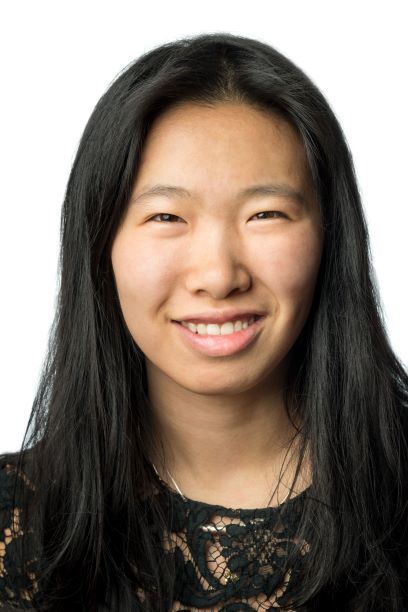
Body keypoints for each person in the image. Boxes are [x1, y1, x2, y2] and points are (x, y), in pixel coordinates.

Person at [0, 32, 407, 612]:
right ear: (99, 246)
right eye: (167, 215)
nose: (218, 276)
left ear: (329, 238)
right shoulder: (14, 523)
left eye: (265, 213)